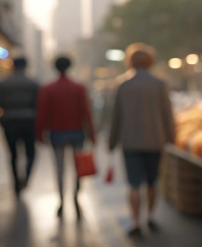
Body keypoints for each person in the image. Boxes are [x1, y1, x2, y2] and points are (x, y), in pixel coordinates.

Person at [108, 43, 175, 237]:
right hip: (155, 141)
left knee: (134, 184)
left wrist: (112, 142)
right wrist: (171, 138)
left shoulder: (123, 86)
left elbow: (116, 117)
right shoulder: (159, 85)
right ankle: (150, 217)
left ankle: (136, 221)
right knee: (152, 181)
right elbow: (167, 115)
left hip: (130, 142)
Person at [36, 56, 95, 218]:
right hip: (77, 132)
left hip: (56, 133)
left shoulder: (47, 88)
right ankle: (76, 196)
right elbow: (86, 112)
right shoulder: (79, 87)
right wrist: (92, 134)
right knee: (78, 167)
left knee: (59, 168)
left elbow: (42, 113)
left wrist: (40, 134)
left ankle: (61, 200)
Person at [0, 57, 39, 194]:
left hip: (9, 121)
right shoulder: (33, 83)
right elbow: (39, 105)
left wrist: (0, 119)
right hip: (29, 121)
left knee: (13, 154)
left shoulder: (2, 84)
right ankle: (26, 178)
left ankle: (16, 182)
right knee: (31, 153)